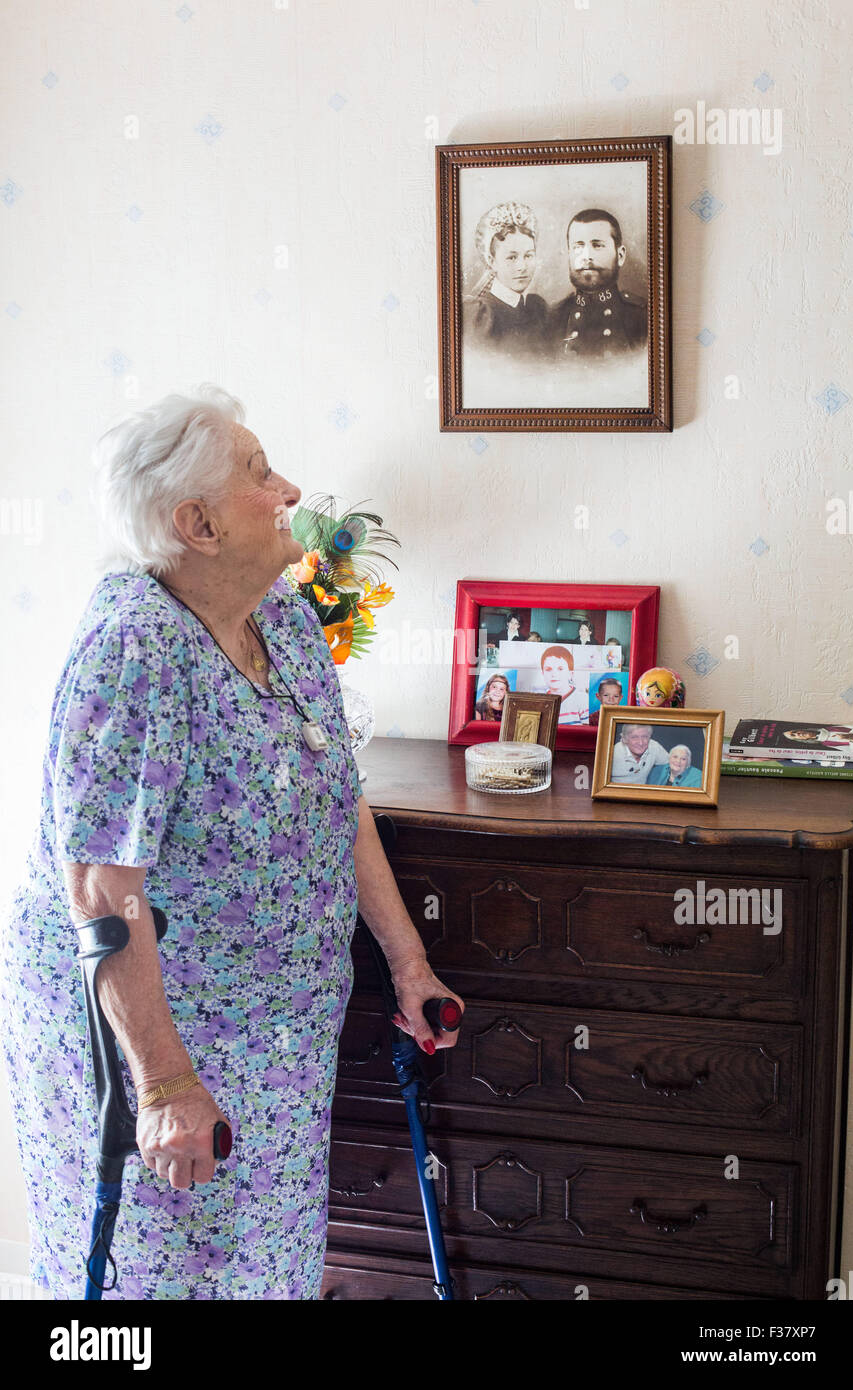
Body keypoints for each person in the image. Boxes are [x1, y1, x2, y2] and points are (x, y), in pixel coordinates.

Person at [0, 385, 463, 1301]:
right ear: (198, 524)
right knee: (155, 1276)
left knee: (266, 1266)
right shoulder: (136, 648)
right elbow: (100, 887)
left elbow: (340, 795)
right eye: (260, 474)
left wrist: (408, 962)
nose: (289, 489)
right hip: (158, 1039)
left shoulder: (283, 617)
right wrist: (165, 1085)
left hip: (275, 1037)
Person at [550, 209, 647, 360]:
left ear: (620, 255)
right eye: (578, 246)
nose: (586, 256)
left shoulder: (644, 315)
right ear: (569, 254)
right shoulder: (551, 318)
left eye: (597, 245)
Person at [463, 203, 548, 357]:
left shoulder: (537, 308)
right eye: (512, 257)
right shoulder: (482, 314)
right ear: (492, 261)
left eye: (528, 255)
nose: (522, 266)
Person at [538, 645, 588, 724]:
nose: (554, 674)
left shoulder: (583, 700)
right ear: (543, 673)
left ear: (570, 674)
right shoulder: (540, 701)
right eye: (548, 669)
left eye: (560, 669)